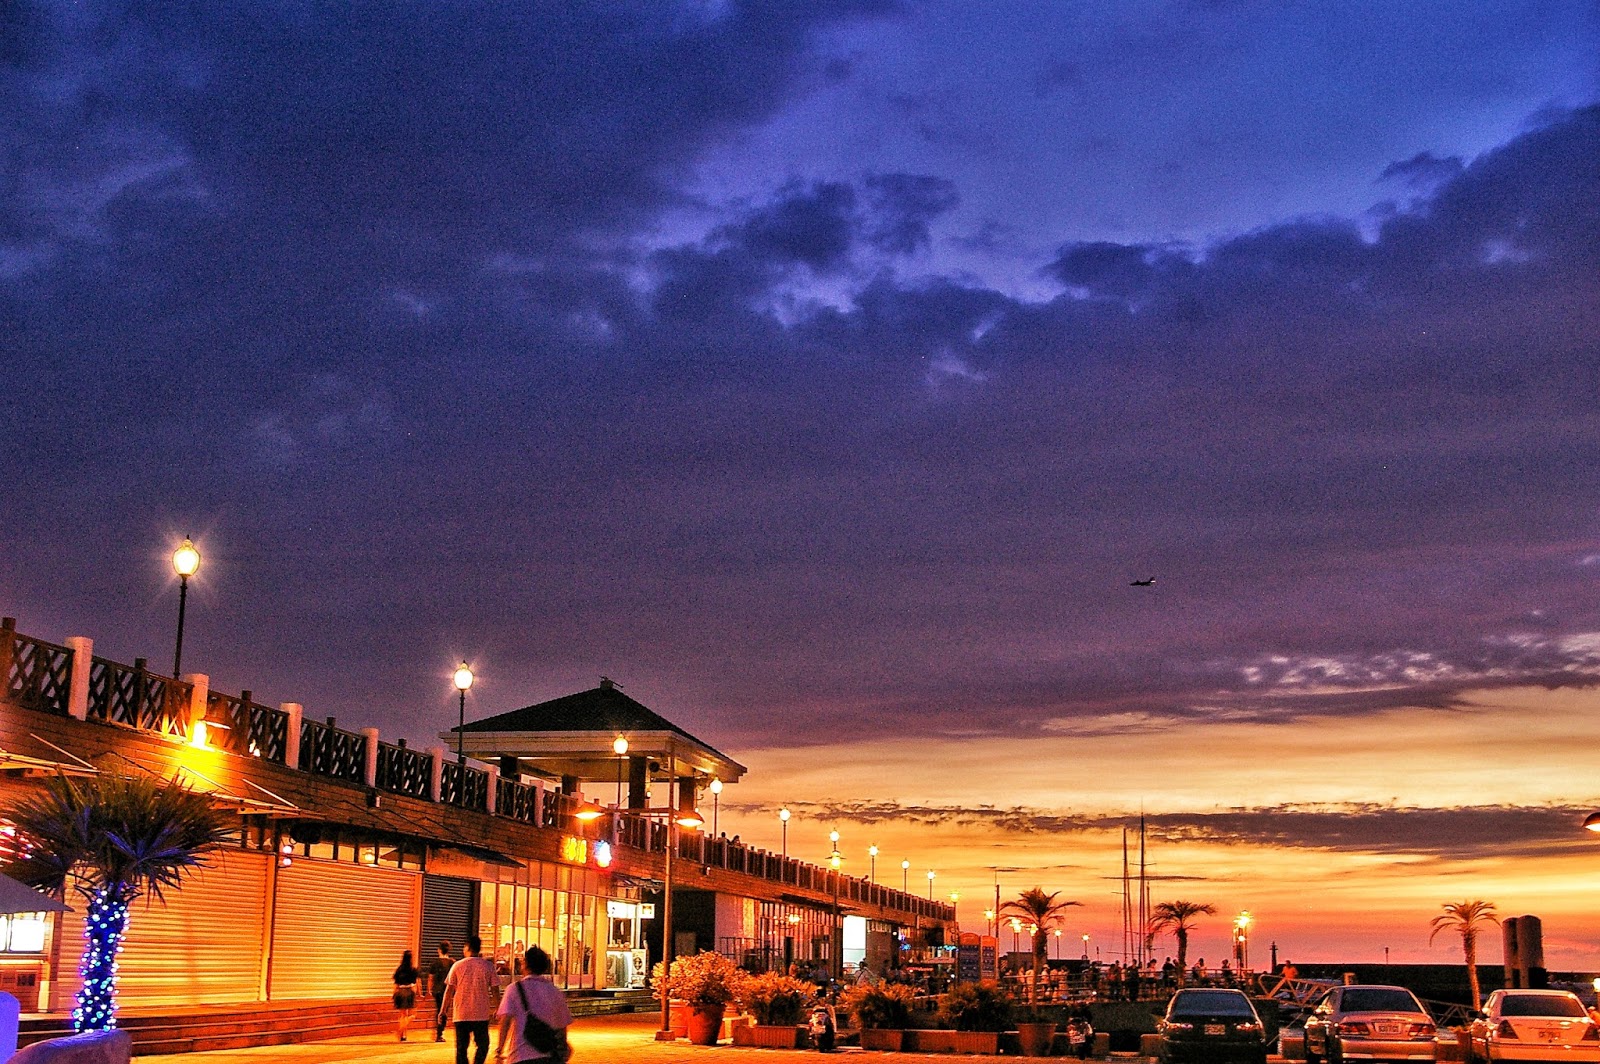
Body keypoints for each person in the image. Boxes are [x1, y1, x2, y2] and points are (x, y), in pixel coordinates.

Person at [496, 945, 572, 1063]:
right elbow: (562, 1027)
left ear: (525, 964)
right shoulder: (555, 992)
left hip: (520, 1055)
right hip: (549, 1056)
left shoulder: (514, 989)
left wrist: (499, 1050)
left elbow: (505, 1021)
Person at [442, 934, 501, 1064]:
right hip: (481, 1014)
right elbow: (495, 990)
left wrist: (443, 1010)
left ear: (468, 947)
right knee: (483, 1045)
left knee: (461, 1048)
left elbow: (449, 990)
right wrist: (499, 1008)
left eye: (464, 946)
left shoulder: (457, 965)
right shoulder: (488, 966)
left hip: (461, 1014)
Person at [428, 940, 455, 1042]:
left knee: (439, 1009)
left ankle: (438, 1032)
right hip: (447, 990)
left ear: (439, 950)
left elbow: (431, 977)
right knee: (444, 1010)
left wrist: (429, 989)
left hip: (437, 990)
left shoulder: (435, 963)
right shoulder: (452, 963)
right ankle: (440, 1032)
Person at [393, 950, 420, 1041]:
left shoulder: (399, 969)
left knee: (402, 1014)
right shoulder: (413, 970)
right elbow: (416, 983)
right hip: (409, 991)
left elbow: (396, 983)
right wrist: (420, 993)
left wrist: (394, 993)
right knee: (413, 1014)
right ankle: (401, 1030)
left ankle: (403, 1035)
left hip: (400, 991)